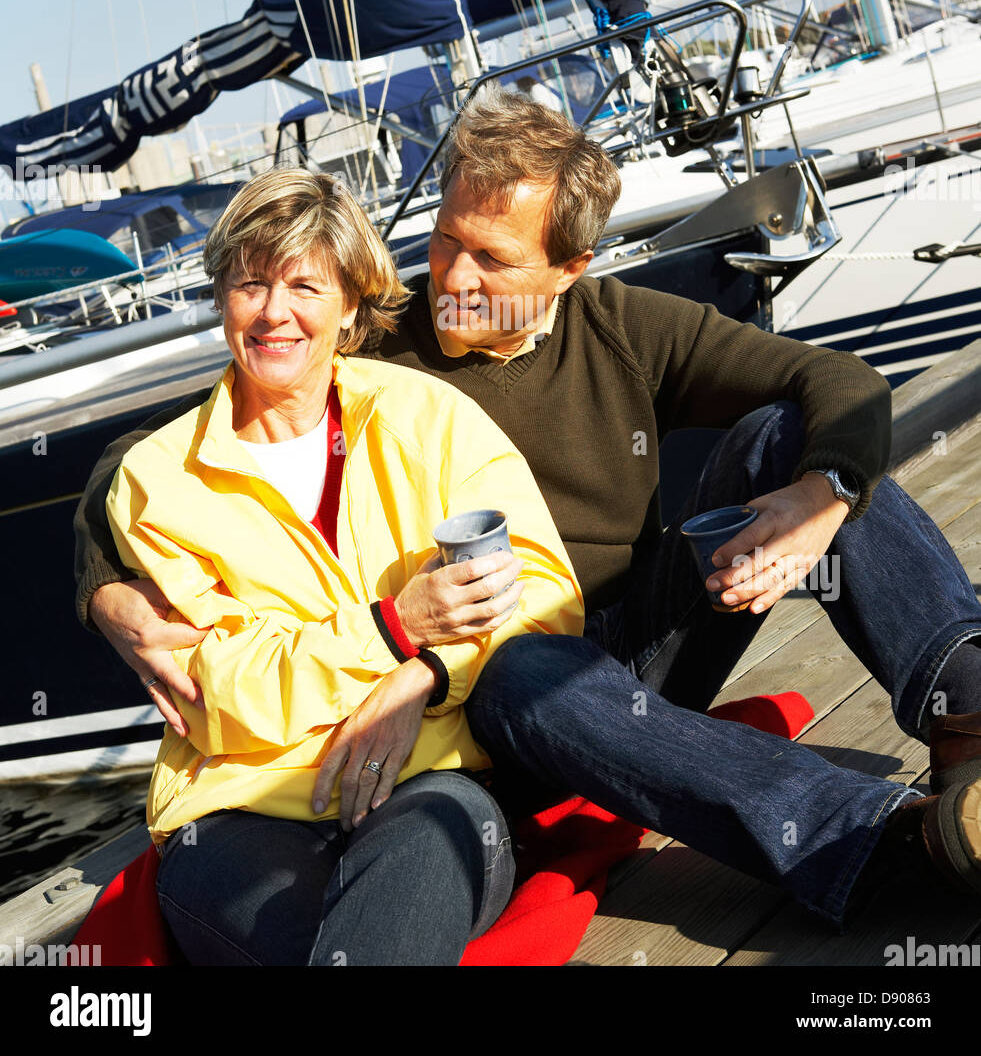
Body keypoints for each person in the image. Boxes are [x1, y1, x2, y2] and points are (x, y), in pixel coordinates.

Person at [76, 89, 981, 934]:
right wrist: (103, 581)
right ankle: (876, 842)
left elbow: (838, 383)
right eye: (442, 240)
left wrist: (820, 498)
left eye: (493, 259)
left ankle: (968, 716)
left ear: (569, 268)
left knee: (787, 439)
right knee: (521, 669)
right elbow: (167, 446)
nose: (453, 278)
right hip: (479, 683)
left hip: (629, 645)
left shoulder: (620, 327)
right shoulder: (378, 331)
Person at [101, 166, 583, 966]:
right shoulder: (156, 478)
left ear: (353, 303)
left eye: (305, 286)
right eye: (250, 284)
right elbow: (219, 692)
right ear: (222, 297)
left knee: (415, 867)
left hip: (427, 780)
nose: (273, 313)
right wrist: (393, 628)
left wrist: (426, 668)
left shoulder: (427, 416)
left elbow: (538, 593)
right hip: (238, 805)